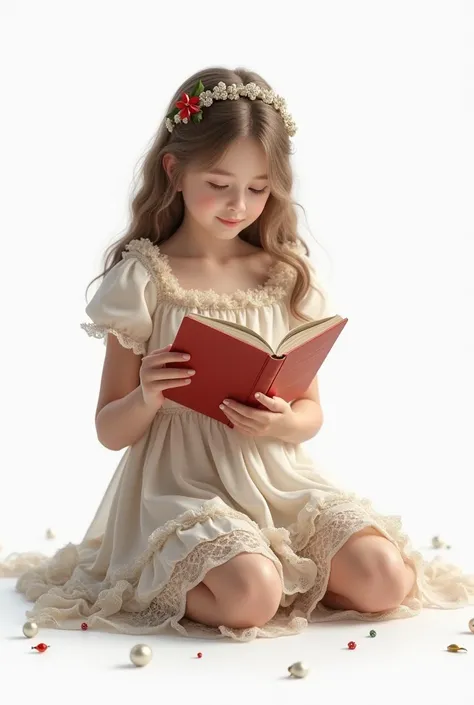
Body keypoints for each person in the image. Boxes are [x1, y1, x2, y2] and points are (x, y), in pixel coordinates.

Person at [2, 66, 473, 642]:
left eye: (257, 188)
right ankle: (204, 578)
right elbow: (108, 429)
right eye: (219, 184)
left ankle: (280, 572)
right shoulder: (144, 279)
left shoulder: (283, 274)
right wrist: (148, 393)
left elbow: (310, 414)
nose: (238, 204)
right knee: (251, 596)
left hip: (274, 473)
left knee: (384, 580)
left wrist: (285, 419)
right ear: (174, 171)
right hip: (179, 486)